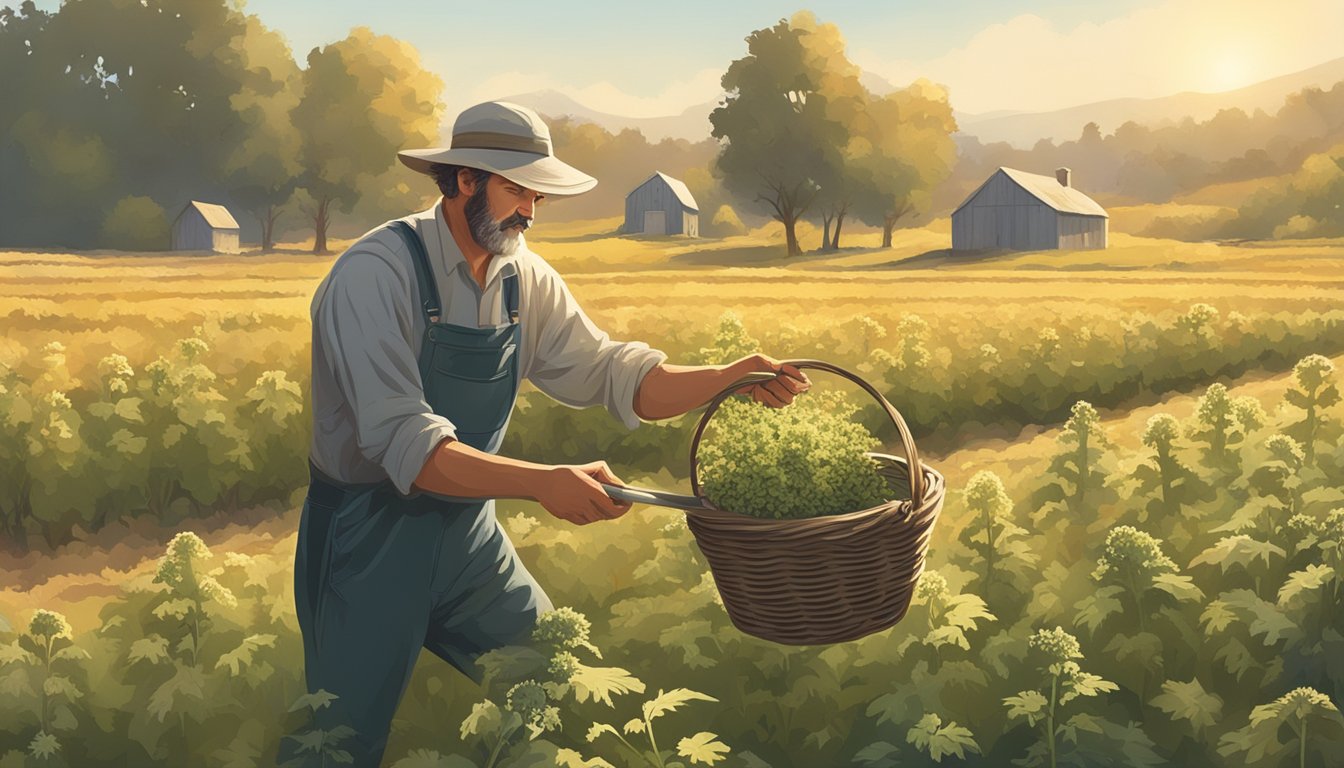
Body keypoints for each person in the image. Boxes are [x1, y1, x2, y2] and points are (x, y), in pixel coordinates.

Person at [287, 100, 809, 765]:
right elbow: (407, 446)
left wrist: (725, 377)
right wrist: (544, 485)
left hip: (468, 543)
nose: (530, 211)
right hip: (366, 544)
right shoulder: (374, 274)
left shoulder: (521, 275)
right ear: (466, 179)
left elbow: (611, 372)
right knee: (336, 745)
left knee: (573, 696)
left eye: (537, 194)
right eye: (517, 190)